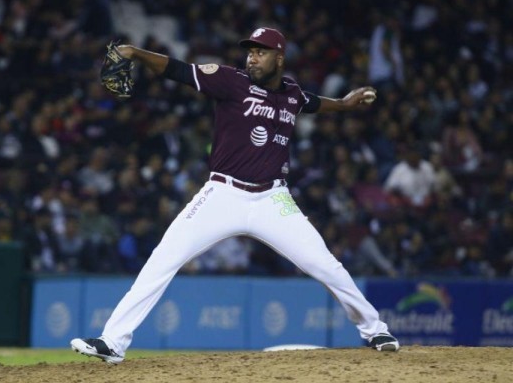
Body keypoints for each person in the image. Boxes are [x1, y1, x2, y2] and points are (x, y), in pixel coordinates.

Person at [71, 27, 399, 363]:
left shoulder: (292, 93)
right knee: (163, 259)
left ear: (279, 58)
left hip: (274, 200)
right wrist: (137, 54)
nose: (252, 57)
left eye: (261, 51)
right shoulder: (231, 81)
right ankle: (113, 341)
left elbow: (313, 103)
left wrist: (344, 105)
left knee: (327, 266)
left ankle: (375, 330)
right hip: (222, 195)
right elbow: (179, 70)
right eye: (250, 51)